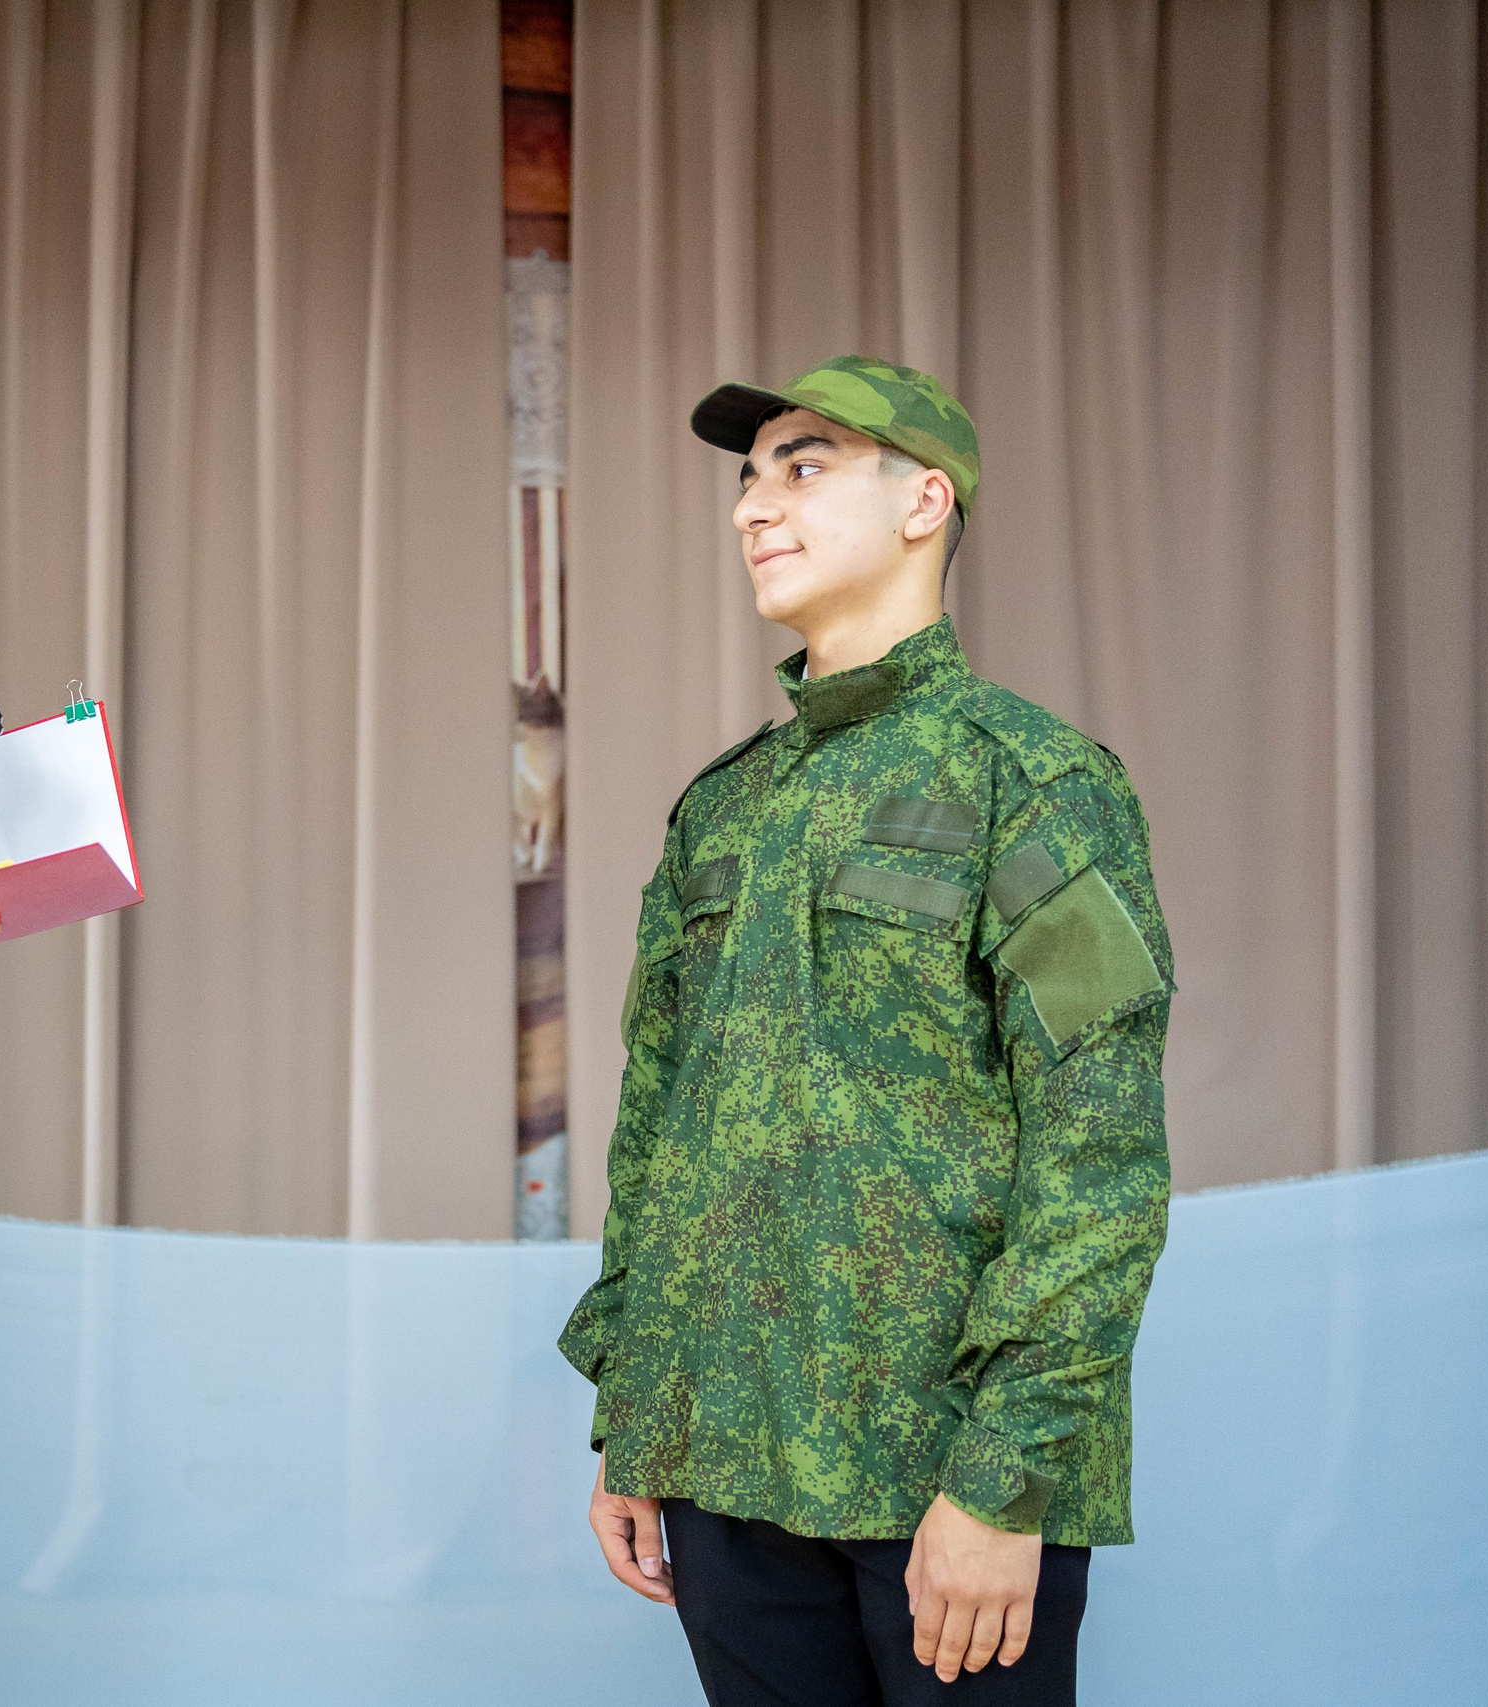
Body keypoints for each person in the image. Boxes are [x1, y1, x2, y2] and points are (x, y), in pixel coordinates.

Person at [560, 357, 1174, 1706]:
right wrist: (637, 1414)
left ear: (925, 503)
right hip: (724, 1464)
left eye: (804, 465)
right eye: (746, 479)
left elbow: (1099, 1161)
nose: (752, 509)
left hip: (941, 1480)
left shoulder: (1034, 782)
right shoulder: (718, 811)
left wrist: (1006, 1481)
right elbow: (658, 1124)